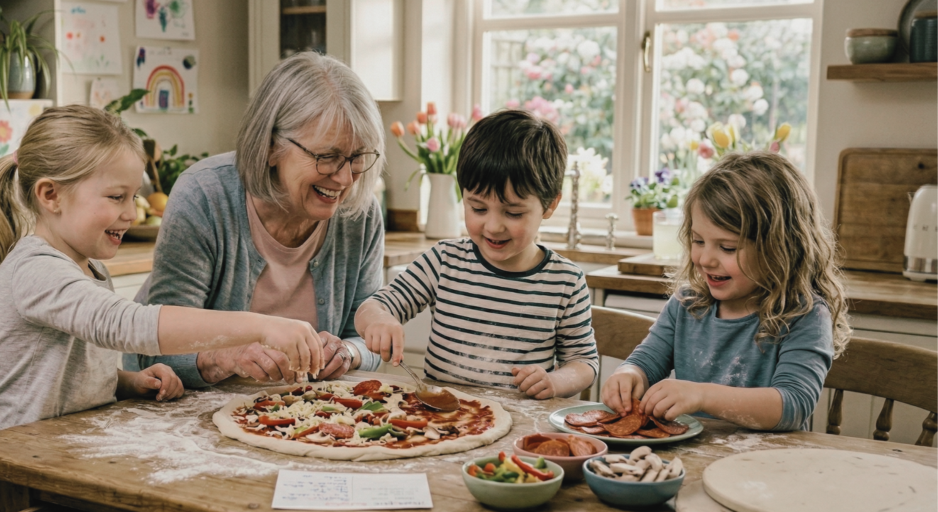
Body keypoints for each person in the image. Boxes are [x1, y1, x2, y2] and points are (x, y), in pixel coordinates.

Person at [0, 105, 324, 512]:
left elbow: (57, 372)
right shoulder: (35, 269)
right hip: (11, 490)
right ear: (50, 195)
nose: (132, 213)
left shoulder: (89, 266)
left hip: (59, 471)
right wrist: (261, 325)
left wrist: (126, 382)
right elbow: (128, 325)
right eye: (116, 197)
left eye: (133, 196)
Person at [124, 51, 385, 387]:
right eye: (327, 157)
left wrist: (349, 352)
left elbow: (370, 336)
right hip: (182, 415)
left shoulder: (359, 215)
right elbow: (156, 349)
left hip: (295, 419)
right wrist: (223, 357)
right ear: (271, 146)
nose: (346, 178)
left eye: (357, 157)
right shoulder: (204, 196)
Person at [355, 109, 599, 399]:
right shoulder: (445, 261)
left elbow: (584, 363)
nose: (493, 226)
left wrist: (555, 381)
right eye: (478, 208)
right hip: (443, 420)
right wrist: (380, 320)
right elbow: (372, 307)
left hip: (521, 426)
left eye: (513, 212)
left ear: (549, 205)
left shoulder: (565, 281)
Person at [602, 151, 851, 431]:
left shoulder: (804, 315)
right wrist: (629, 374)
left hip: (771, 467)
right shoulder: (687, 305)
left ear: (779, 248)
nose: (706, 259)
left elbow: (793, 404)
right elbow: (647, 361)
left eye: (727, 248)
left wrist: (702, 395)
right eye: (698, 240)